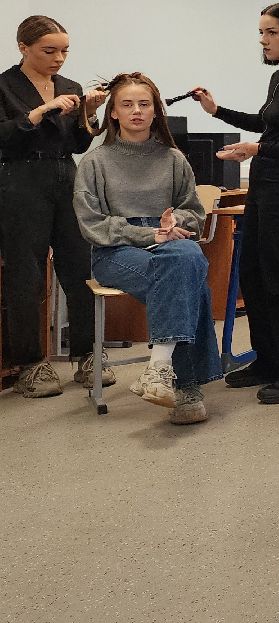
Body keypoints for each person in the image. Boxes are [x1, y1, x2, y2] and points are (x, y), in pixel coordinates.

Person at [193, 2, 279, 405]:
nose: (264, 40)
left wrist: (258, 148)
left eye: (272, 32)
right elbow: (266, 122)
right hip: (265, 186)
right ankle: (270, 360)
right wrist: (217, 112)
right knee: (254, 273)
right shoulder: (278, 80)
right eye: (261, 33)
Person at [74, 73, 222, 424]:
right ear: (113, 113)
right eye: (127, 104)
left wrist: (176, 224)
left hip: (170, 243)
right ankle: (185, 385)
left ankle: (158, 368)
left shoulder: (173, 159)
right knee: (187, 273)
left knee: (185, 260)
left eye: (145, 104)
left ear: (157, 111)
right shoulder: (95, 163)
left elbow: (193, 214)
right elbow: (92, 223)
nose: (136, 110)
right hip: (115, 251)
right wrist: (147, 235)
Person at [0, 15, 109, 397]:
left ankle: (87, 355)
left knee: (80, 267)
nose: (59, 58)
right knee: (24, 273)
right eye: (50, 50)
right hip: (19, 181)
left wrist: (89, 112)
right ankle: (30, 364)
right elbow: (5, 138)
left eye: (64, 50)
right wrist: (38, 113)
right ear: (23, 47)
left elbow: (79, 143)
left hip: (66, 176)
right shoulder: (4, 86)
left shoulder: (70, 87)